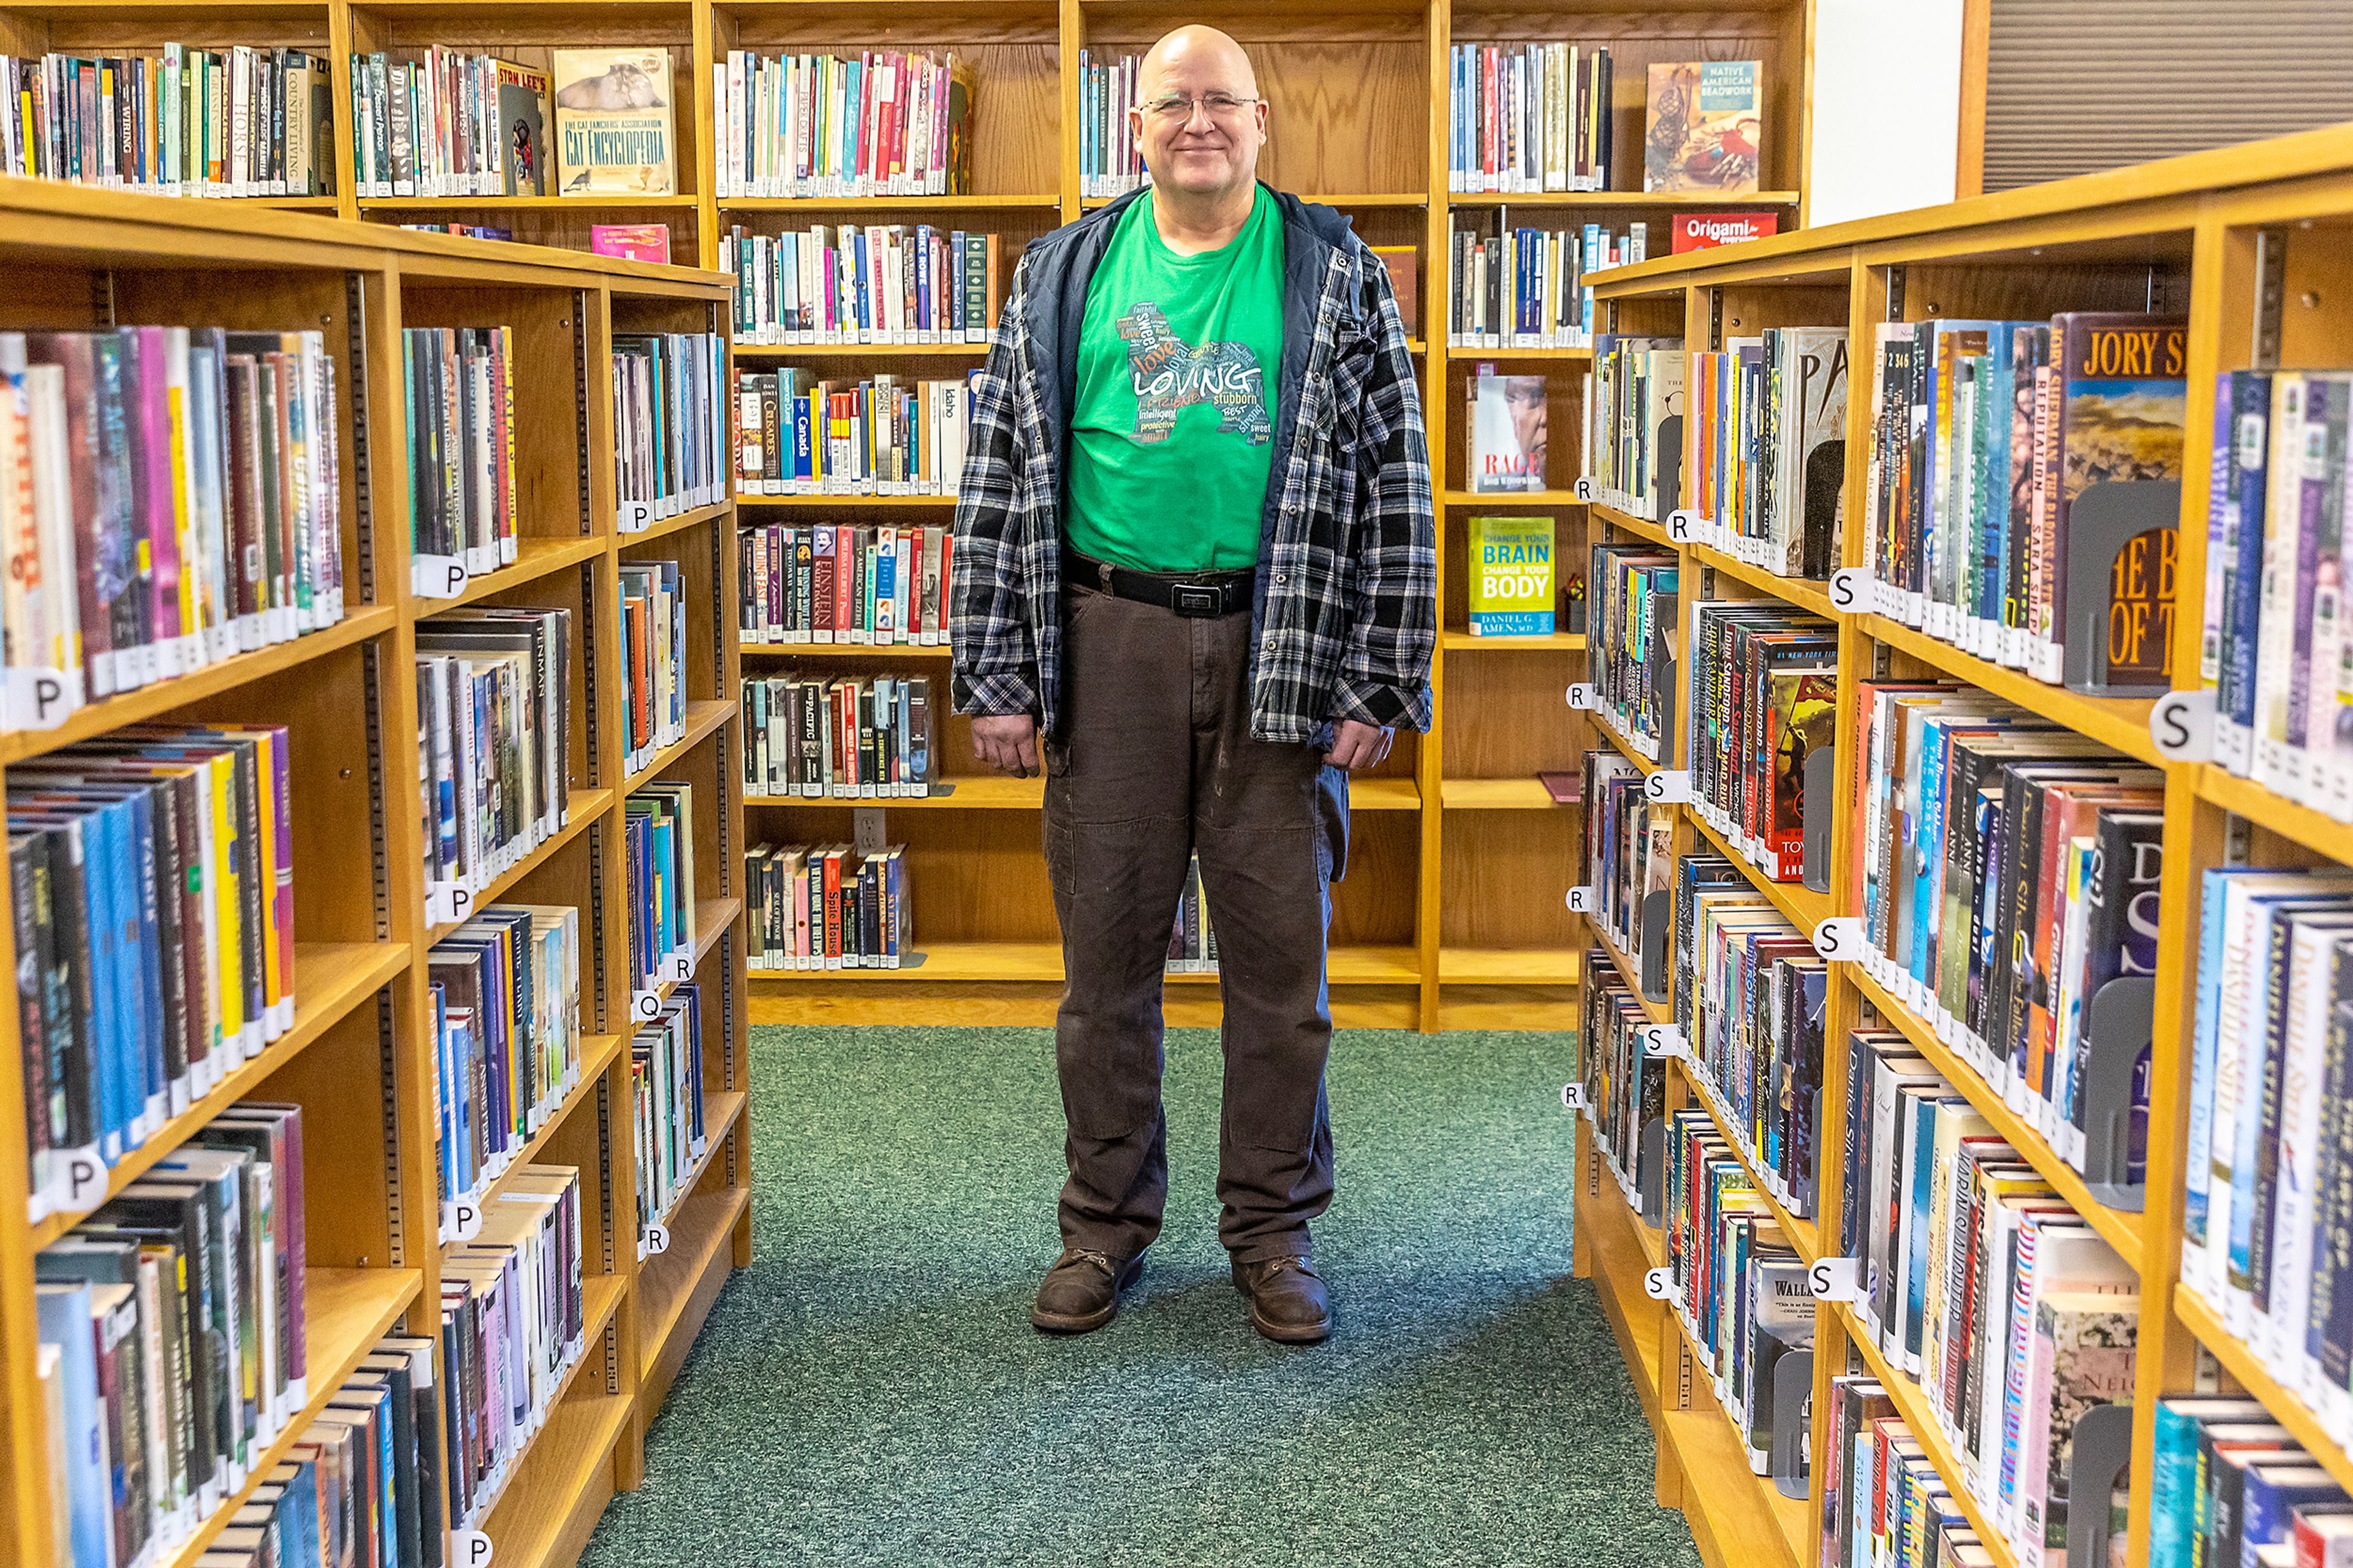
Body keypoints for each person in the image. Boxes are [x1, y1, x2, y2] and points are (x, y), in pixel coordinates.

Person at [949, 23, 1434, 1346]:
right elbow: (997, 480)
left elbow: (1399, 478)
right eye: (1175, 103)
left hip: (1282, 644)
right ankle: (1103, 1226)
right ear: (1139, 126)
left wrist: (1384, 672)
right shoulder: (1063, 274)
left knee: (1282, 970)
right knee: (1106, 965)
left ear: (1263, 120)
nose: (1200, 123)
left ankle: (1272, 1230)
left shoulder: (1336, 270)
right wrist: (995, 670)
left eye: (1223, 102)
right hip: (1109, 642)